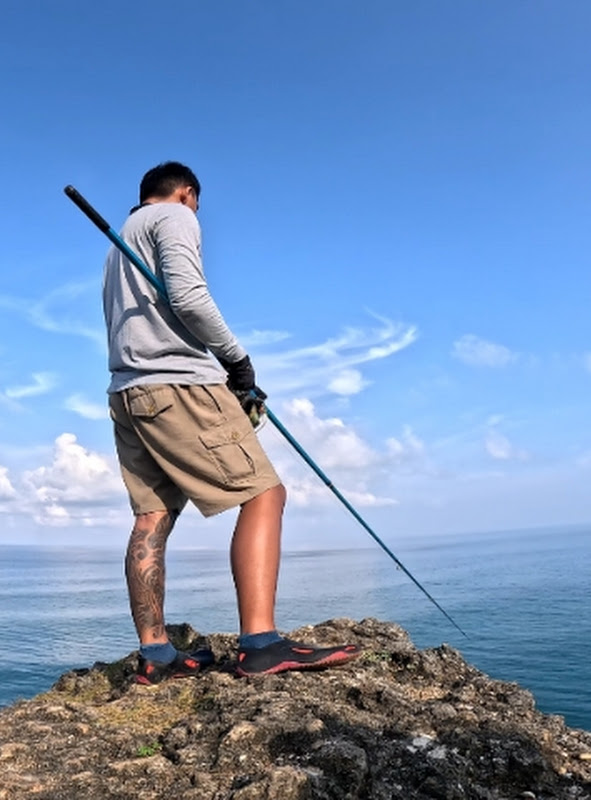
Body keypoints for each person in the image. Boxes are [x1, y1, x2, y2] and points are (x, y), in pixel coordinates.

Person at [102, 161, 361, 683]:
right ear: (187, 193)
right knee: (265, 494)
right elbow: (189, 296)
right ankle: (260, 645)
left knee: (152, 517)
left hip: (129, 391)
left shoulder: (120, 242)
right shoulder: (175, 217)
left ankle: (157, 656)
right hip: (178, 385)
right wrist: (238, 363)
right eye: (197, 203)